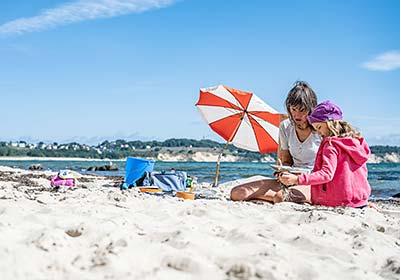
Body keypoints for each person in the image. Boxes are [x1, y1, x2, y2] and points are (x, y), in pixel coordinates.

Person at [230, 81, 321, 202]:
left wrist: (300, 178)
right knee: (238, 193)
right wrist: (283, 170)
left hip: (312, 182)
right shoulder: (286, 126)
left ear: (311, 109)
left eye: (302, 110)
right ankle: (273, 197)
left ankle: (274, 197)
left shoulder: (319, 129)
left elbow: (327, 171)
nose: (297, 115)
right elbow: (287, 160)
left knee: (280, 197)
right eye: (293, 109)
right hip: (291, 179)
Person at [276, 100, 371, 207]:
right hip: (360, 201)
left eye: (319, 127)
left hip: (336, 201)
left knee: (280, 196)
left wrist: (297, 179)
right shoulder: (356, 143)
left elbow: (326, 174)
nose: (319, 133)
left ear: (330, 123)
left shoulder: (331, 144)